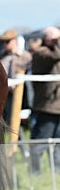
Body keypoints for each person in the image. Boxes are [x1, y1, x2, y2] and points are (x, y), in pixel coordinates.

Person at [29, 26, 60, 174]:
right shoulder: (41, 53)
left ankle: (57, 173)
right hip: (47, 106)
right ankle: (35, 173)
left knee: (58, 143)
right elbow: (54, 56)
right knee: (41, 142)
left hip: (57, 106)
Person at [0, 28, 31, 125]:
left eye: (7, 41)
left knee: (16, 119)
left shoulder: (25, 56)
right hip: (4, 92)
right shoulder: (1, 56)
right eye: (3, 42)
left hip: (20, 93)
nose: (5, 44)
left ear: (15, 40)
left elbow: (29, 74)